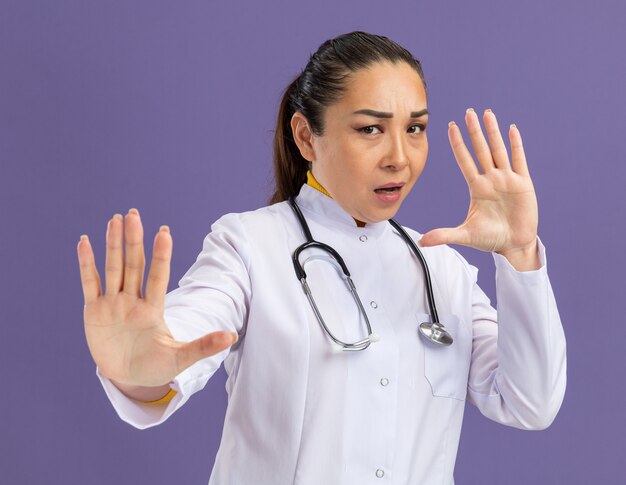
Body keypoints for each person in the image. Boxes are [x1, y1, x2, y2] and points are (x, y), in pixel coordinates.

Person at [77, 31, 566, 485]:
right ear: (307, 136)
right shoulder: (248, 246)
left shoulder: (443, 268)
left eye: (415, 128)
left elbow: (530, 403)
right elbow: (183, 336)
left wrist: (519, 253)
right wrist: (139, 370)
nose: (400, 156)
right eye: (371, 129)